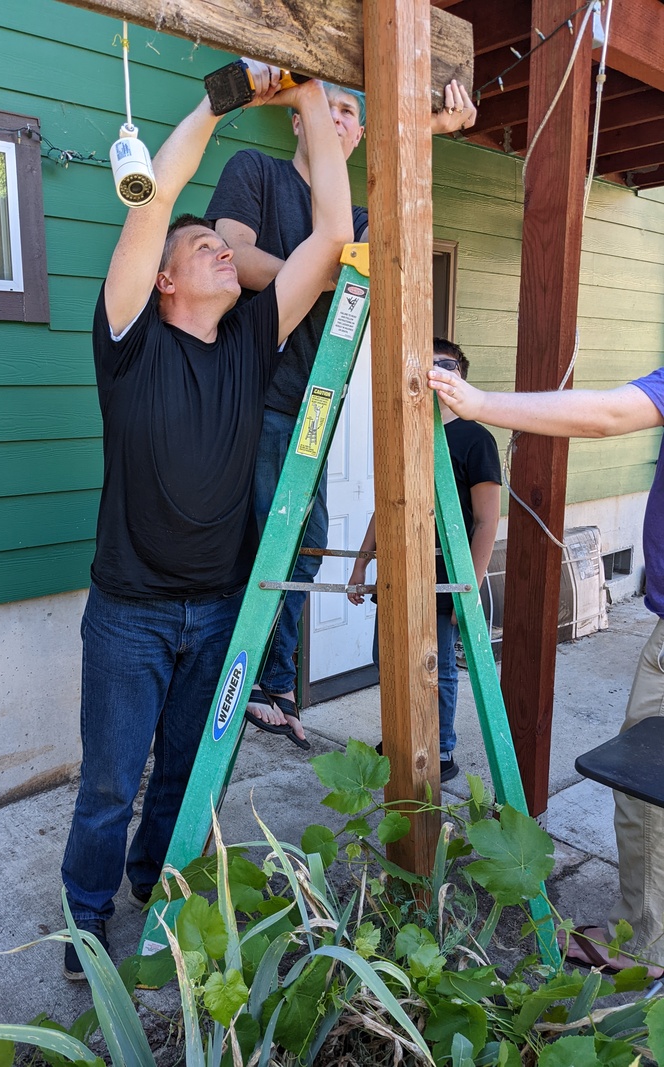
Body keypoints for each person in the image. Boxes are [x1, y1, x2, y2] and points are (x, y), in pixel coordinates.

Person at [60, 72, 353, 979]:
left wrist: (311, 103)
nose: (225, 253)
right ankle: (85, 920)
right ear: (164, 278)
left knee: (190, 776)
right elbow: (158, 203)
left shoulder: (252, 343)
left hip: (218, 611)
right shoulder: (129, 339)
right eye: (204, 249)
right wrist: (223, 101)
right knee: (110, 783)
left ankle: (157, 887)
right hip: (131, 615)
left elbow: (335, 239)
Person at [206, 64, 478, 748]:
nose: (337, 119)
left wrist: (433, 129)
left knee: (305, 545)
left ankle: (272, 683)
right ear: (296, 118)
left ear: (357, 138)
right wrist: (323, 270)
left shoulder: (358, 219)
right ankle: (247, 684)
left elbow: (392, 245)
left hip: (314, 399)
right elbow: (233, 257)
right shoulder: (256, 173)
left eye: (351, 114)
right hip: (250, 392)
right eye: (323, 106)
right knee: (262, 542)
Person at [428, 361, 664, 978]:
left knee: (649, 796)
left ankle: (646, 944)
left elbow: (608, 413)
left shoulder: (472, 441)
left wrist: (477, 402)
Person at [347, 340, 501, 782]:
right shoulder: (407, 433)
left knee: (437, 668)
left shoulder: (477, 438)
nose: (434, 372)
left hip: (443, 575)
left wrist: (467, 586)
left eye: (445, 366)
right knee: (389, 658)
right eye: (425, 365)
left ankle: (441, 747)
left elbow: (487, 521)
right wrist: (361, 565)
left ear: (460, 378)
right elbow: (385, 507)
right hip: (396, 573)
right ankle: (400, 738)